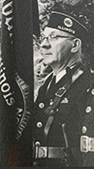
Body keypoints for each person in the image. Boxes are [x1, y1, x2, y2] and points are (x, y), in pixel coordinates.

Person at [33, 10, 92, 167]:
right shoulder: (46, 85)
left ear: (75, 45)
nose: (44, 44)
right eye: (44, 38)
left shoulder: (88, 85)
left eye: (54, 37)